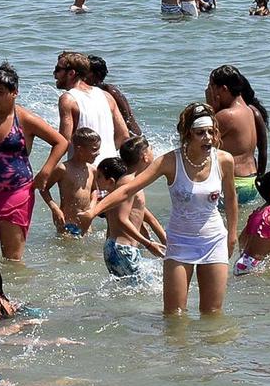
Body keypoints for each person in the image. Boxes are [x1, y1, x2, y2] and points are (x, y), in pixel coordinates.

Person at [88, 103, 240, 316]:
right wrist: (93, 211)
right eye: (200, 133)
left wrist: (232, 234)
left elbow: (231, 199)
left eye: (211, 132)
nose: (207, 138)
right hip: (179, 241)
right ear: (188, 134)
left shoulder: (224, 160)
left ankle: (207, 341)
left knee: (212, 312)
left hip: (214, 239)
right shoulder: (169, 161)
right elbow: (127, 189)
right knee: (174, 314)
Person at [0, 62, 64, 258]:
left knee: (12, 261)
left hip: (17, 195)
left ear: (14, 92)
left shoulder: (25, 119)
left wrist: (45, 172)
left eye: (0, 92)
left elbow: (60, 142)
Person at [94, 151, 166, 285]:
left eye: (98, 176)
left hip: (115, 249)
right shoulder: (123, 195)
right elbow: (128, 220)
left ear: (111, 181)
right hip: (122, 249)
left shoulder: (113, 198)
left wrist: (163, 244)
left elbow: (143, 219)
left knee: (128, 288)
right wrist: (150, 244)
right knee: (145, 287)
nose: (95, 180)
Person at [206, 64, 269, 209]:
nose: (209, 91)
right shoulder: (251, 111)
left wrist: (210, 107)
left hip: (235, 182)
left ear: (224, 89)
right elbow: (263, 149)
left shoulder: (226, 115)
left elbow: (196, 145)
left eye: (212, 86)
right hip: (251, 181)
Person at [54, 52, 126, 162]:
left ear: (71, 73)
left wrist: (48, 169)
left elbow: (64, 141)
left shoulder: (68, 99)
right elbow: (123, 135)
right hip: (111, 166)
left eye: (58, 69)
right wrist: (105, 153)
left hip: (85, 169)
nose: (54, 74)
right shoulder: (107, 96)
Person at [42, 127, 102, 236]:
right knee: (66, 244)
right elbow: (43, 188)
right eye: (94, 149)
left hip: (85, 222)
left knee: (85, 245)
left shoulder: (92, 170)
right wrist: (55, 208)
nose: (98, 153)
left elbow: (94, 190)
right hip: (66, 221)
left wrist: (92, 207)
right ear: (80, 150)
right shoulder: (63, 169)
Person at [86, 55, 142, 138]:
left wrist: (135, 139)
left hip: (130, 135)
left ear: (96, 74)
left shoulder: (110, 91)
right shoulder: (94, 91)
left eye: (85, 71)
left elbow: (127, 118)